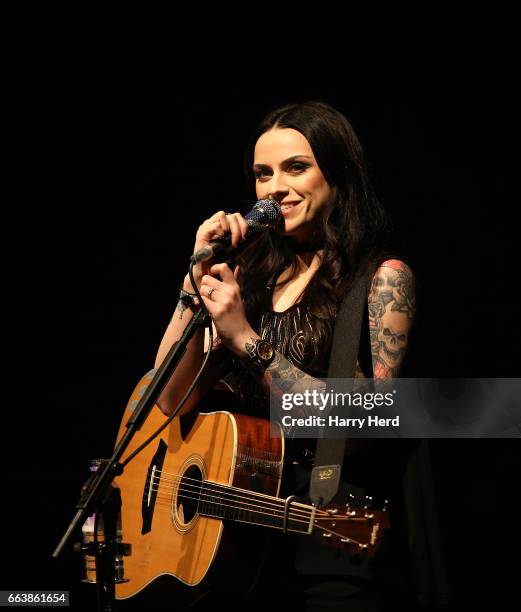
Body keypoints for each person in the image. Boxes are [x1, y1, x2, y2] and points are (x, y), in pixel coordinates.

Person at [154, 101, 418, 611]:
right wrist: (194, 280)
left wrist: (247, 341)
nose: (274, 187)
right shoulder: (248, 276)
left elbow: (366, 424)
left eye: (296, 167)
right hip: (234, 546)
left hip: (331, 541)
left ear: (338, 175)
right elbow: (167, 397)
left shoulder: (382, 280)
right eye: (262, 174)